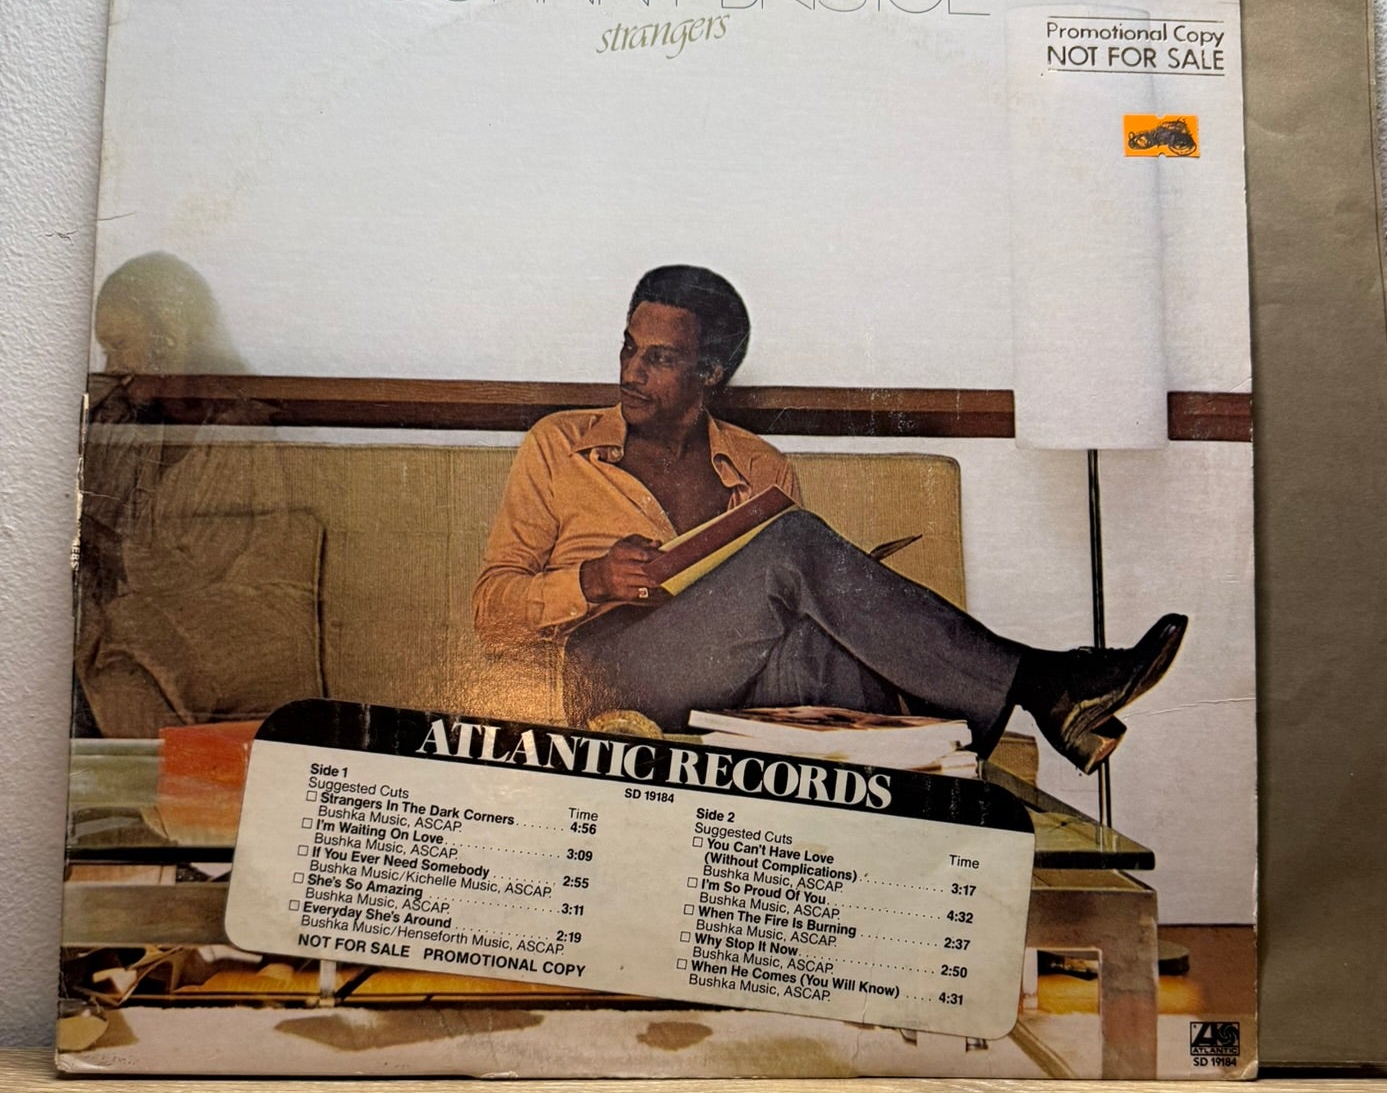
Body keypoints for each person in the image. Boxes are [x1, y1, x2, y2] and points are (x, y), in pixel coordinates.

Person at [474, 265, 1186, 768]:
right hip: (603, 681)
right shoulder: (559, 444)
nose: (631, 371)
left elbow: (789, 609)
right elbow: (490, 612)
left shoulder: (761, 466)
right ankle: (1044, 685)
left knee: (829, 649)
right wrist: (591, 580)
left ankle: (911, 822)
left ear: (710, 373)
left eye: (659, 358)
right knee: (794, 542)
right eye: (629, 348)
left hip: (728, 688)